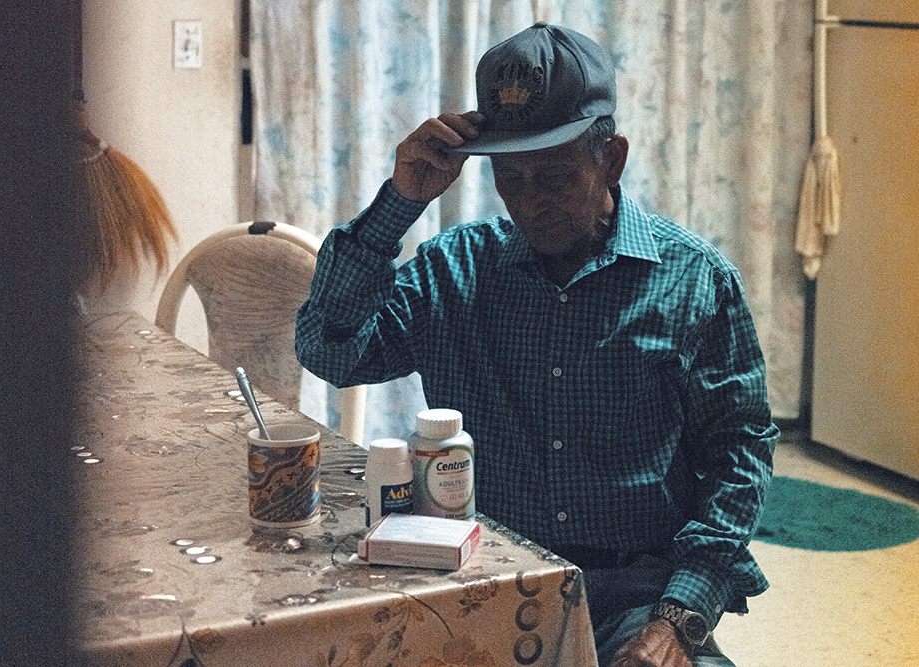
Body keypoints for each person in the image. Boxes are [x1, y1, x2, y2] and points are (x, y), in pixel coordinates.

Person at [296, 22, 779, 667]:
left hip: (632, 598)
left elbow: (738, 459)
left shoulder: (694, 281)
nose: (529, 203)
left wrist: (677, 621)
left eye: (552, 177)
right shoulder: (455, 271)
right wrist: (399, 202)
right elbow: (332, 353)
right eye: (510, 179)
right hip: (476, 587)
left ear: (612, 159)